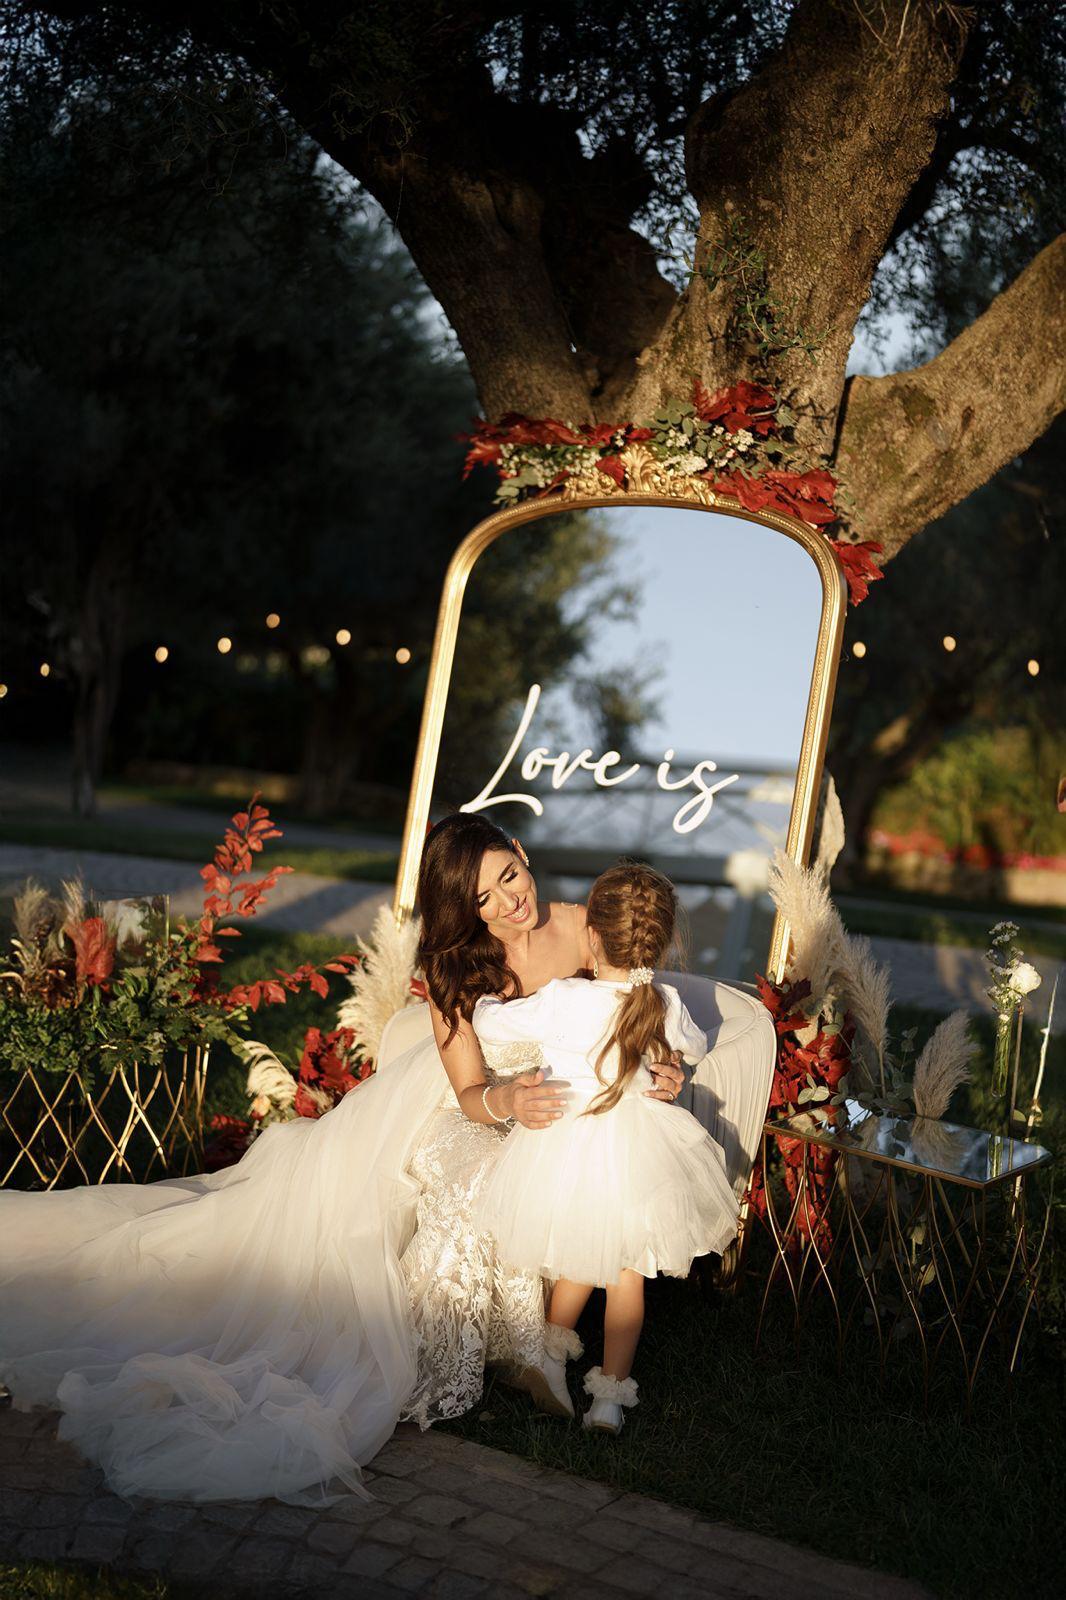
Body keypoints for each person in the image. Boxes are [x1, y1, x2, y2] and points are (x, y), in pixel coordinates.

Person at [0, 815, 687, 1507]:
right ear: (463, 908)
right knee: (471, 1174)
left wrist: (664, 1071)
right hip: (466, 1108)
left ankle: (529, 1346)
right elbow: (468, 1092)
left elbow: (636, 1012)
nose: (509, 902)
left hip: (568, 1115)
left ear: (521, 853)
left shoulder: (584, 928)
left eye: (509, 876)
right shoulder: (453, 965)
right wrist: (507, 1100)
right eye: (484, 898)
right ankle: (494, 1347)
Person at [471, 862, 740, 1434]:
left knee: (578, 1258)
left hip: (570, 1147)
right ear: (659, 943)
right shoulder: (663, 1002)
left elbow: (492, 1028)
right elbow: (695, 1045)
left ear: (591, 936)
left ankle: (548, 1358)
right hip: (640, 1156)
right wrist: (671, 1056)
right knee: (626, 1276)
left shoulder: (564, 997)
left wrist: (485, 1003)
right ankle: (609, 1401)